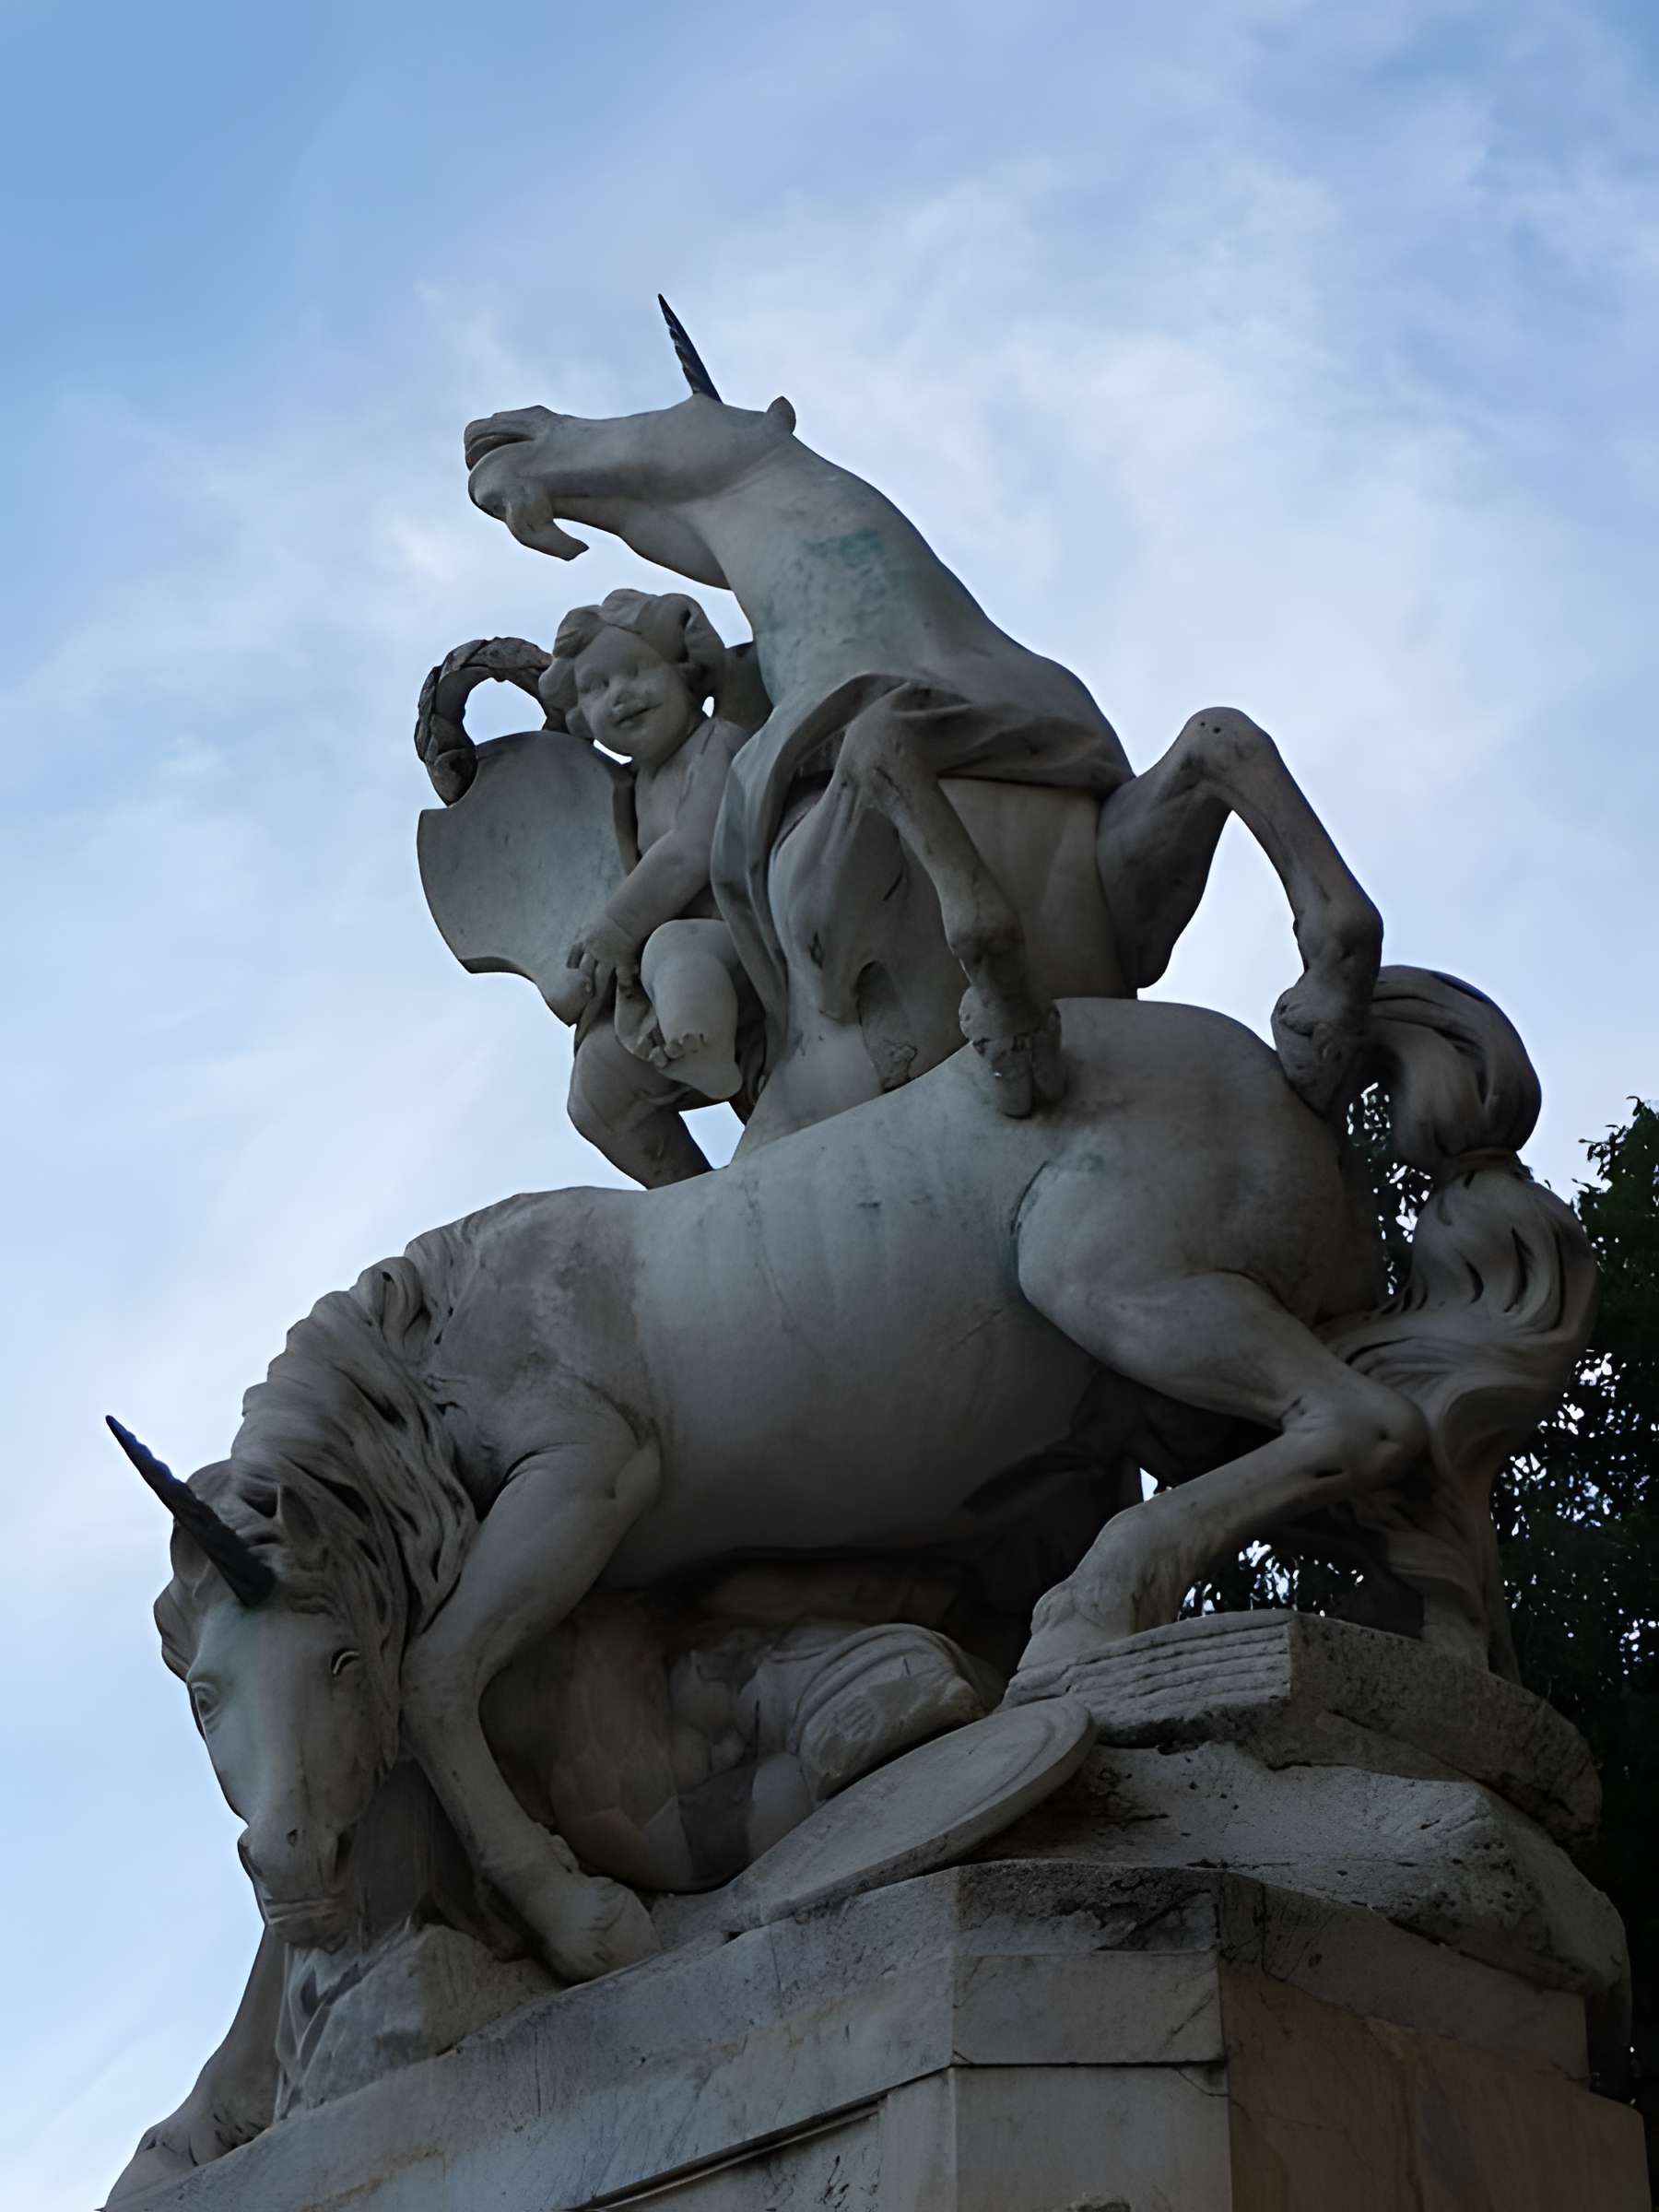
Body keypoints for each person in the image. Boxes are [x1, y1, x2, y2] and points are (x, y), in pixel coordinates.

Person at [542, 590, 755, 1182]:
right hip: (661, 973)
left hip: (749, 930)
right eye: (598, 688)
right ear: (582, 717)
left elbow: (694, 847)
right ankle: (694, 1196)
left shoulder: (719, 744)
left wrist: (616, 928)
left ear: (684, 674)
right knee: (593, 1089)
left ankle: (704, 1048)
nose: (621, 695)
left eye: (637, 672)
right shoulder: (629, 792)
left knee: (674, 950)